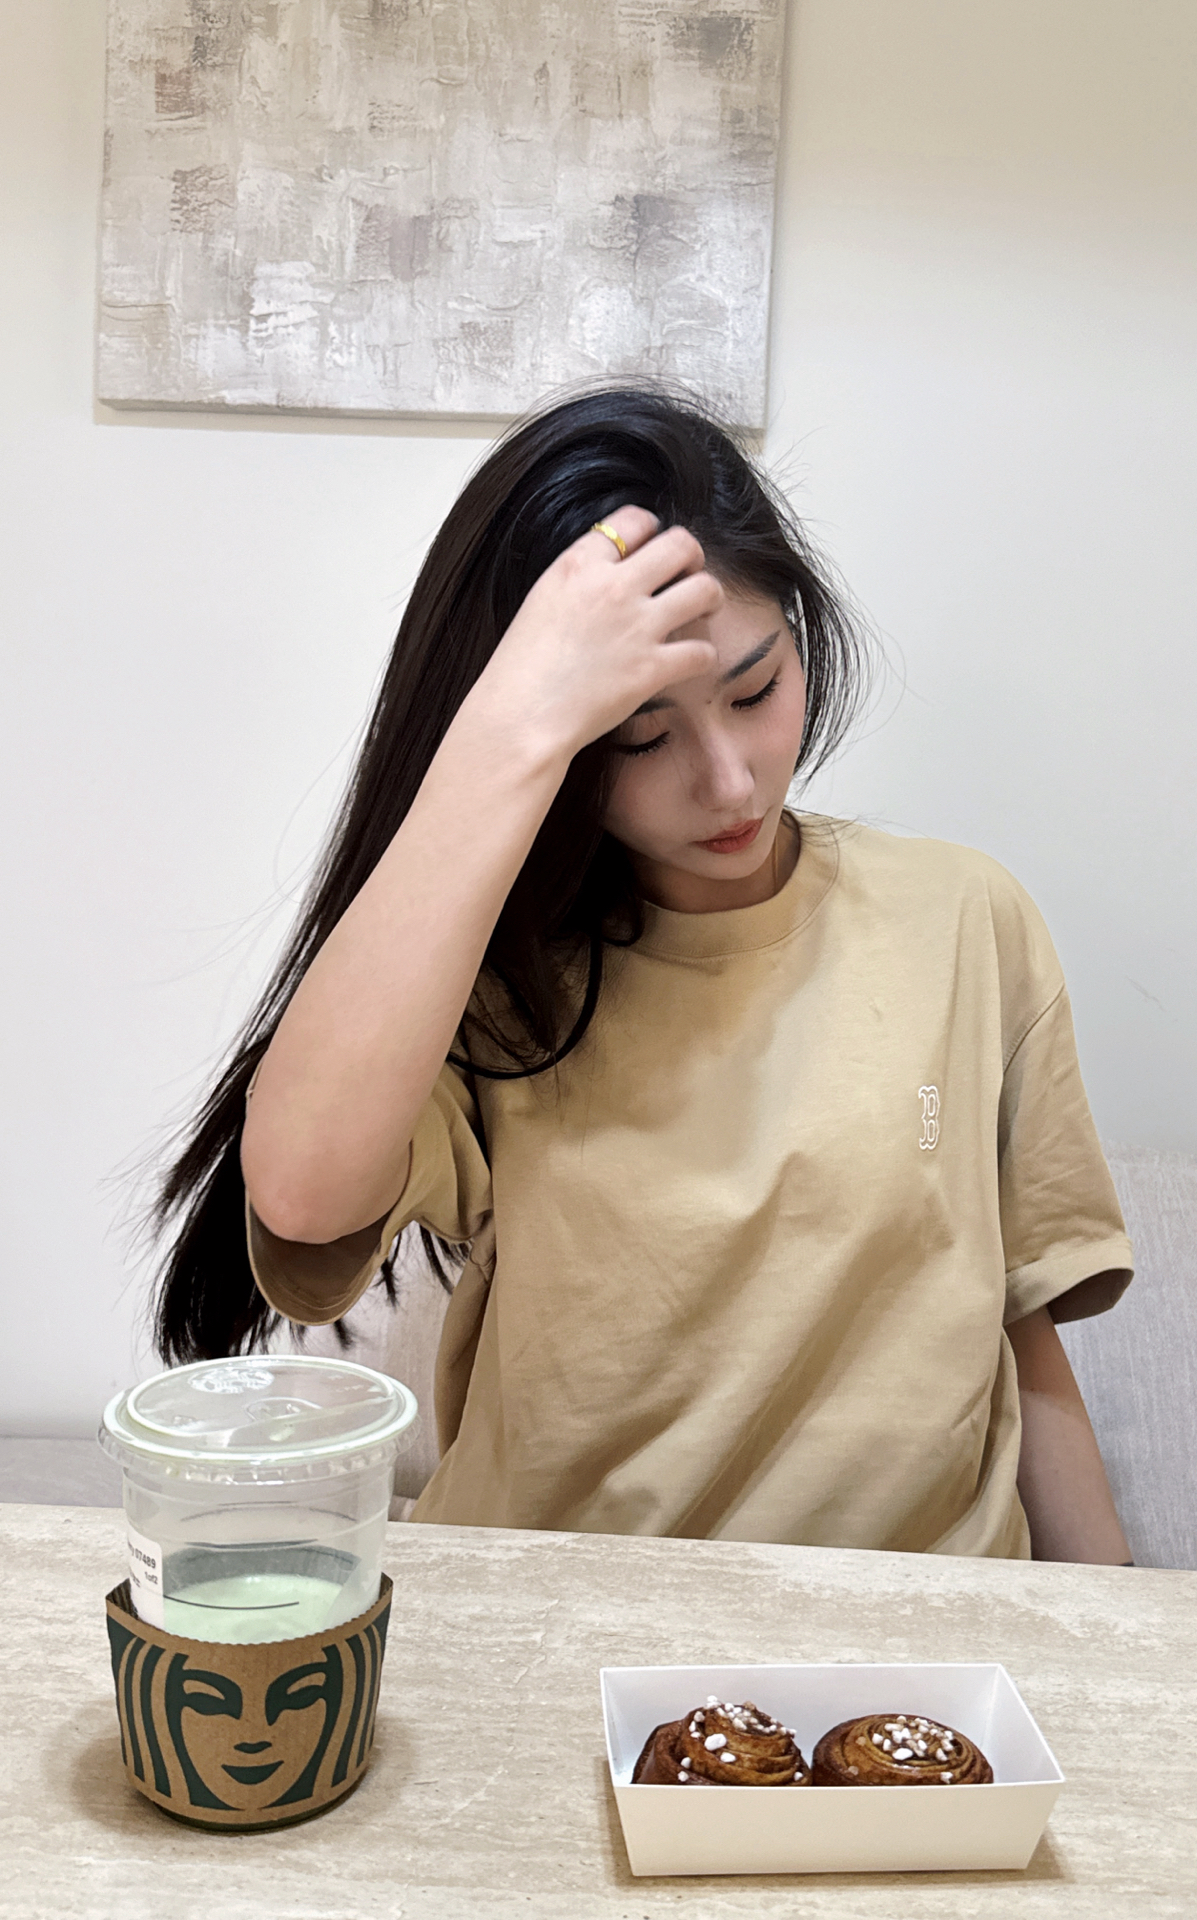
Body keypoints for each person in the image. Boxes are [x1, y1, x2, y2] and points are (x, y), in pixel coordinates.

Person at [154, 385, 1133, 1563]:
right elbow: (305, 1195)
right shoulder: (497, 982)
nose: (729, 782)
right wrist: (512, 720)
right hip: (570, 1619)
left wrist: (1116, 1633)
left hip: (911, 1642)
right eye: (640, 736)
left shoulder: (966, 917)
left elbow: (1017, 1325)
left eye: (756, 690)